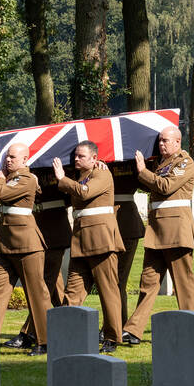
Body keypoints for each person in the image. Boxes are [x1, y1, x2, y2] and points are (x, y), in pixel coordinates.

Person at [122, 126, 194, 345]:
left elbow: (165, 186)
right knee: (148, 282)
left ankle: (191, 325)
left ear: (178, 142)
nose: (161, 144)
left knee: (183, 283)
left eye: (165, 140)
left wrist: (142, 171)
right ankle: (134, 330)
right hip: (156, 231)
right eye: (160, 140)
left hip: (176, 231)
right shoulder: (159, 164)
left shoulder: (185, 162)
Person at [52, 141, 125, 353]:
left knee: (107, 291)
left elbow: (84, 193)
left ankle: (112, 337)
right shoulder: (79, 176)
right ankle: (66, 334)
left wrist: (61, 178)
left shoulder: (102, 174)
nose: (76, 159)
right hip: (81, 241)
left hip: (101, 241)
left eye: (81, 156)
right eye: (75, 155)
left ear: (94, 158)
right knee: (73, 292)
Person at [0, 143, 53, 356]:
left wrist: (0, 178)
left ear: (25, 159)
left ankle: (45, 341)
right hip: (6, 245)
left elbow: (1, 195)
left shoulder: (26, 179)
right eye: (7, 156)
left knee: (36, 294)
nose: (8, 160)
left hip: (27, 245)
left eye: (13, 157)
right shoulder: (12, 177)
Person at [3, 168, 71, 350]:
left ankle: (28, 333)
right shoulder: (26, 172)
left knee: (44, 283)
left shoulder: (64, 166)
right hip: (34, 229)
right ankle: (67, 326)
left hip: (55, 231)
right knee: (53, 287)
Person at [110, 161, 145, 327]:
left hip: (126, 226)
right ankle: (116, 322)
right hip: (106, 225)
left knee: (118, 279)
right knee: (111, 280)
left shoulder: (131, 161)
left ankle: (117, 323)